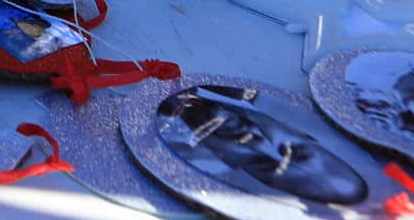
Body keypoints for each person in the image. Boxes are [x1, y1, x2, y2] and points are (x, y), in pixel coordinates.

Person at [158, 88, 369, 205]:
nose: (254, 141)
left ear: (231, 164)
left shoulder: (162, 142)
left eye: (261, 163)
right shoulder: (240, 89)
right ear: (301, 133)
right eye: (296, 151)